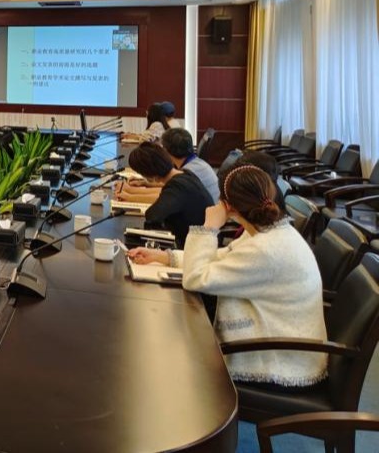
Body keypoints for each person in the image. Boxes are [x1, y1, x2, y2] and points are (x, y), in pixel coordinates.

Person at [128, 165, 326, 390]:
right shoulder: (270, 231)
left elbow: (195, 278)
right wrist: (166, 257)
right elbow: (222, 257)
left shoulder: (266, 248)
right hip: (284, 347)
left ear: (228, 205)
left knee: (170, 355)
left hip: (280, 364)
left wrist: (208, 228)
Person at [119, 142, 213, 248]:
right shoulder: (185, 175)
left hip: (196, 246)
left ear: (149, 173)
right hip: (203, 239)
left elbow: (153, 215)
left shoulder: (177, 186)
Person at [117, 128, 220, 203]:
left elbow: (164, 196)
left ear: (166, 150)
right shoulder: (195, 163)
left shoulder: (190, 171)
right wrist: (146, 183)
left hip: (204, 222)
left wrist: (130, 194)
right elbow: (168, 186)